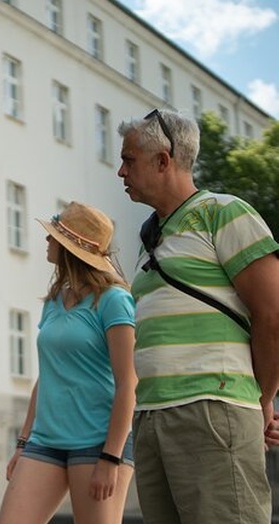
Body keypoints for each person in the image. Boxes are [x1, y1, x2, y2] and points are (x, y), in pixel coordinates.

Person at [118, 109, 279, 524]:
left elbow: (273, 314)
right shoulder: (150, 237)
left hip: (210, 408)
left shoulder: (224, 213)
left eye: (129, 159)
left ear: (163, 160)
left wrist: (261, 400)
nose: (121, 170)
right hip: (152, 414)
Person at [0, 202, 137, 524]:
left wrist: (110, 457)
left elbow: (128, 383)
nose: (46, 241)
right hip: (45, 442)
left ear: (69, 248)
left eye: (52, 237)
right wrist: (23, 442)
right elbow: (47, 376)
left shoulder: (114, 301)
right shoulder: (54, 302)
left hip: (97, 442)